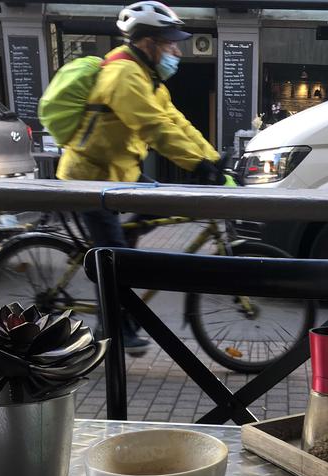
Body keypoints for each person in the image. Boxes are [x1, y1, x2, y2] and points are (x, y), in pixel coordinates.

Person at [56, 0, 224, 353]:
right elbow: (153, 128)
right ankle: (115, 330)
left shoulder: (149, 79)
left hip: (121, 175)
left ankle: (122, 261)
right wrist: (196, 165)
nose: (177, 50)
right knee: (116, 260)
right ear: (148, 43)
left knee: (159, 201)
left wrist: (212, 159)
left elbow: (176, 122)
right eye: (171, 43)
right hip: (90, 179)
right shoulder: (124, 75)